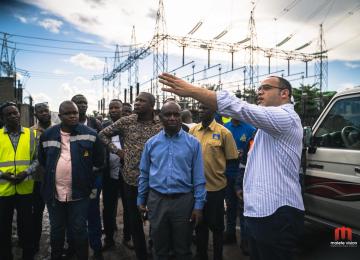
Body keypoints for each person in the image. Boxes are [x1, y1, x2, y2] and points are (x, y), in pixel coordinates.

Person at [159, 73, 305, 260]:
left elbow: (241, 108)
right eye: (259, 88)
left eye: (266, 88)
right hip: (262, 212)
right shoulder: (268, 126)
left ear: (284, 94)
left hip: (276, 213)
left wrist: (192, 91)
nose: (259, 92)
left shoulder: (286, 117)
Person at [137, 101, 206, 260]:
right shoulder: (151, 144)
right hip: (157, 200)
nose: (173, 118)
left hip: (183, 202)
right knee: (160, 248)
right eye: (168, 115)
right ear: (160, 117)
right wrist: (141, 200)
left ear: (181, 117)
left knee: (183, 249)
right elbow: (144, 174)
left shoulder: (193, 143)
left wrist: (198, 206)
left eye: (176, 114)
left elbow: (199, 178)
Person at [99, 92, 162, 260]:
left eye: (142, 101)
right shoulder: (127, 121)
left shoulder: (160, 124)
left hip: (156, 180)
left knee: (156, 218)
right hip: (131, 179)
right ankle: (141, 253)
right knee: (135, 220)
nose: (137, 103)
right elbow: (102, 134)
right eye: (136, 100)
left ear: (151, 105)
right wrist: (117, 151)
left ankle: (154, 248)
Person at [38, 101, 104, 260]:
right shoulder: (48, 135)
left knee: (79, 229)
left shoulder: (91, 134)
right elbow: (42, 161)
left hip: (80, 194)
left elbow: (99, 162)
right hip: (54, 194)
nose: (73, 116)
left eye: (75, 112)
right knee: (57, 230)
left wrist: (87, 180)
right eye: (68, 113)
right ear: (60, 116)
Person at [189, 103, 238, 260]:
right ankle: (201, 254)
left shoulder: (224, 133)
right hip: (196, 190)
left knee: (217, 227)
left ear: (214, 111)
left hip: (216, 189)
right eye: (200, 108)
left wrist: (228, 187)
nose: (201, 110)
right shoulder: (193, 131)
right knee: (199, 225)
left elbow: (232, 161)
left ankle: (218, 256)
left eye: (205, 108)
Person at [0, 102, 38, 260]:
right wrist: (3, 175)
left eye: (15, 113)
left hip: (25, 188)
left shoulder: (31, 135)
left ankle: (28, 255)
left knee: (26, 226)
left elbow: (37, 160)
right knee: (3, 227)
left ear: (19, 114)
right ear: (2, 118)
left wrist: (26, 172)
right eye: (8, 114)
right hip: (3, 190)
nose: (13, 116)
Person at [71, 94, 103, 259]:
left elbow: (100, 151)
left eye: (84, 102)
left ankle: (96, 247)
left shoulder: (95, 124)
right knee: (74, 213)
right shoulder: (65, 126)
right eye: (78, 103)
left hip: (92, 178)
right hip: (73, 179)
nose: (82, 105)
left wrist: (94, 168)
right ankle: (75, 247)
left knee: (92, 211)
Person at [102, 99, 132, 250]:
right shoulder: (104, 127)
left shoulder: (129, 126)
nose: (113, 110)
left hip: (127, 174)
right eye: (111, 107)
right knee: (108, 207)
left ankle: (128, 237)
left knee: (129, 207)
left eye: (116, 107)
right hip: (109, 175)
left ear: (122, 109)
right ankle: (109, 239)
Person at [223, 118, 256, 245]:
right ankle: (230, 235)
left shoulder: (250, 129)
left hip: (244, 176)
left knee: (243, 209)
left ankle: (245, 241)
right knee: (230, 207)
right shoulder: (225, 128)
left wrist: (244, 154)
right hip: (229, 174)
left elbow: (254, 150)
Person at [30, 102, 53, 254]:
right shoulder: (30, 132)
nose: (44, 113)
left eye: (46, 110)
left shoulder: (58, 129)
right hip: (36, 180)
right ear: (35, 115)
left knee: (57, 216)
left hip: (54, 180)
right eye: (40, 111)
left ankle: (57, 246)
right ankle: (33, 246)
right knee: (36, 215)